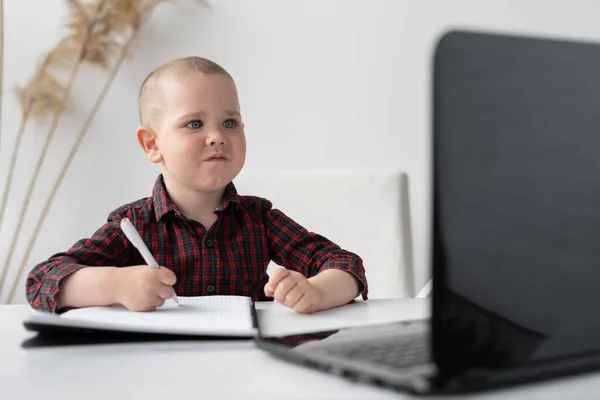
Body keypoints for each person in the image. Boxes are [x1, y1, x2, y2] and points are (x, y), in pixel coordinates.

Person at [25, 56, 368, 314]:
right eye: (194, 124)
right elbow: (43, 280)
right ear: (151, 144)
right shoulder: (133, 224)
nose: (217, 136)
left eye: (230, 122)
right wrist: (115, 284)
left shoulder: (259, 218)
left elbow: (345, 265)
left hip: (250, 370)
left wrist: (316, 292)